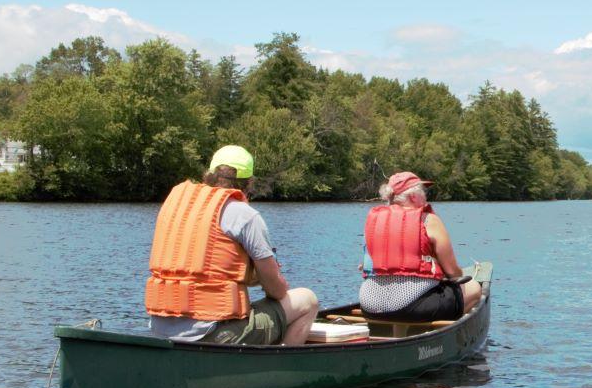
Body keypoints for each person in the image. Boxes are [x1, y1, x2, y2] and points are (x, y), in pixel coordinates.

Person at [145, 145, 319, 346]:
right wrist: (262, 278)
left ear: (209, 175)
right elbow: (276, 290)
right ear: (249, 183)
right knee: (307, 300)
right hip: (211, 334)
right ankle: (282, 372)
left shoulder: (176, 208)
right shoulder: (244, 215)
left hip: (160, 330)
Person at [359, 171, 481, 323]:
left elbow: (366, 265)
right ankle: (443, 334)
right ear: (413, 197)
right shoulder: (429, 220)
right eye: (423, 191)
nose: (426, 196)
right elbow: (453, 272)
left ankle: (398, 333)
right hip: (410, 308)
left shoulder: (374, 221)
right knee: (474, 288)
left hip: (369, 306)